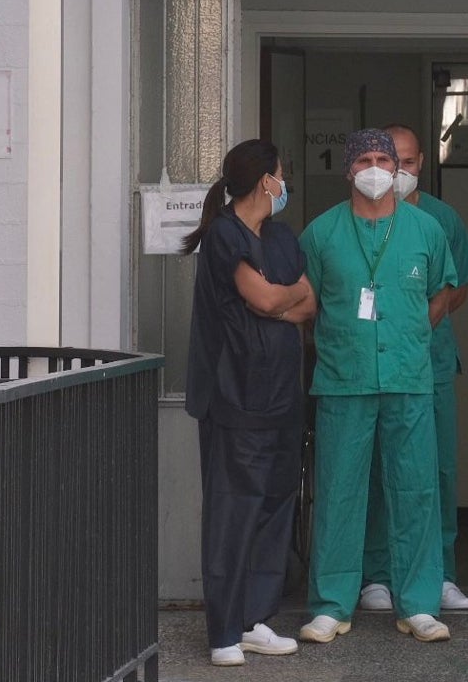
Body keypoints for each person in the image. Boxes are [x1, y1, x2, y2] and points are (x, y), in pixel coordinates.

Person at [298, 128, 459, 644]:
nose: (374, 168)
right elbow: (307, 307)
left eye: (382, 160)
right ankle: (330, 604)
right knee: (339, 491)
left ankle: (418, 604)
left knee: (416, 490)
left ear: (399, 170)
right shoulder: (321, 234)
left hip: (409, 380)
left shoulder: (426, 229)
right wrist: (344, 341)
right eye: (363, 159)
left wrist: (407, 337)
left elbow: (442, 296)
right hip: (344, 381)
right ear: (348, 170)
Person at [181, 138, 317, 667]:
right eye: (282, 175)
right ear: (266, 181)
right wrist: (278, 302)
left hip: (282, 399)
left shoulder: (280, 237)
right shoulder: (224, 236)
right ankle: (223, 633)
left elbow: (309, 301)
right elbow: (266, 297)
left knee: (275, 505)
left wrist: (275, 306)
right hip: (235, 399)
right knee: (233, 512)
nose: (285, 184)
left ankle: (256, 618)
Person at [358, 124, 468, 613]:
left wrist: (420, 322)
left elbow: (461, 286)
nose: (400, 172)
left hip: (429, 363)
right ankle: (378, 575)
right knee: (377, 468)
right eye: (393, 161)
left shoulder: (440, 218)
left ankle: (442, 573)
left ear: (421, 163)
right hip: (372, 366)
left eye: (409, 162)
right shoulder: (355, 220)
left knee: (438, 470)